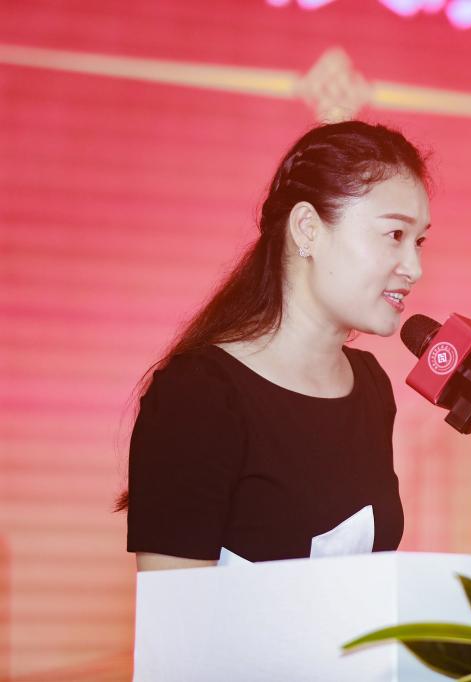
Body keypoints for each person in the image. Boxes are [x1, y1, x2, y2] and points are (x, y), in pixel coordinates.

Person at [118, 121, 431, 571]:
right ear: (307, 228)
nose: (414, 267)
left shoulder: (370, 386)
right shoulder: (198, 394)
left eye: (419, 241)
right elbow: (173, 610)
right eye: (395, 235)